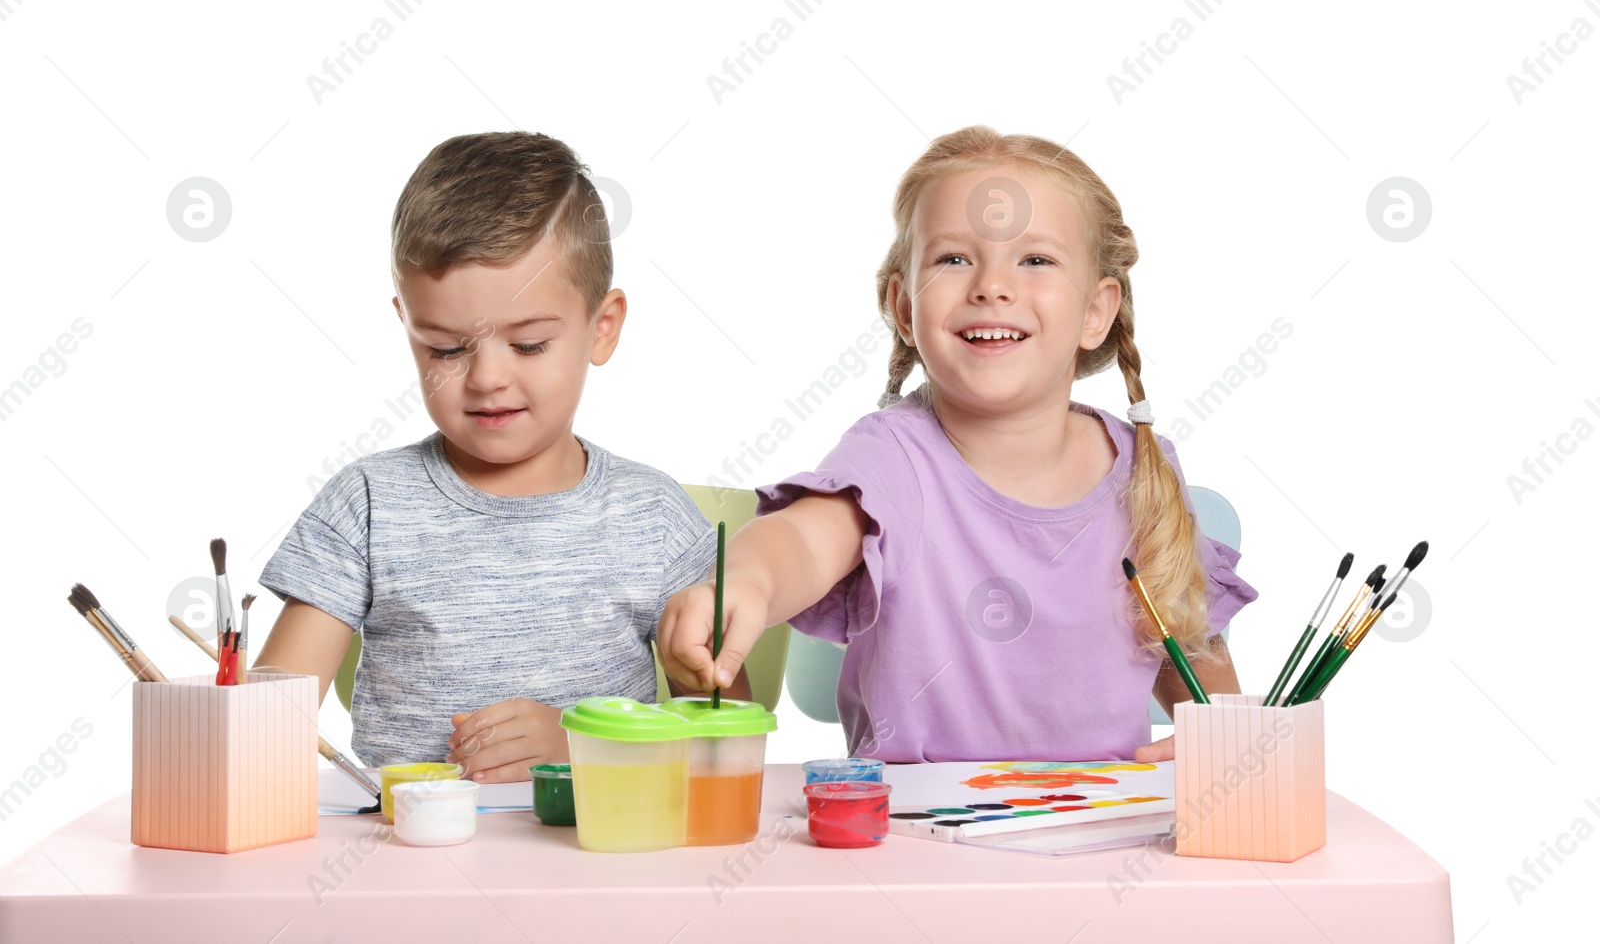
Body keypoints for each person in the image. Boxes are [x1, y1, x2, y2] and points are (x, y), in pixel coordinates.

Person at [659, 126, 1256, 762]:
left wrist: (1225, 745)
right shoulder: (893, 456)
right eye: (952, 259)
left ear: (1096, 310)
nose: (991, 285)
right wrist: (746, 582)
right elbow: (803, 539)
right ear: (905, 310)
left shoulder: (1144, 471)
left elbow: (1197, 670)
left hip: (1104, 835)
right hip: (910, 840)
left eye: (1036, 260)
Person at [254, 131, 730, 781]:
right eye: (445, 348)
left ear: (603, 326)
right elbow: (262, 731)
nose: (486, 379)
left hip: (597, 863)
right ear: (407, 325)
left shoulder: (654, 517)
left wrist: (583, 750)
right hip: (402, 865)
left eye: (529, 344)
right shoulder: (368, 504)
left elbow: (729, 753)